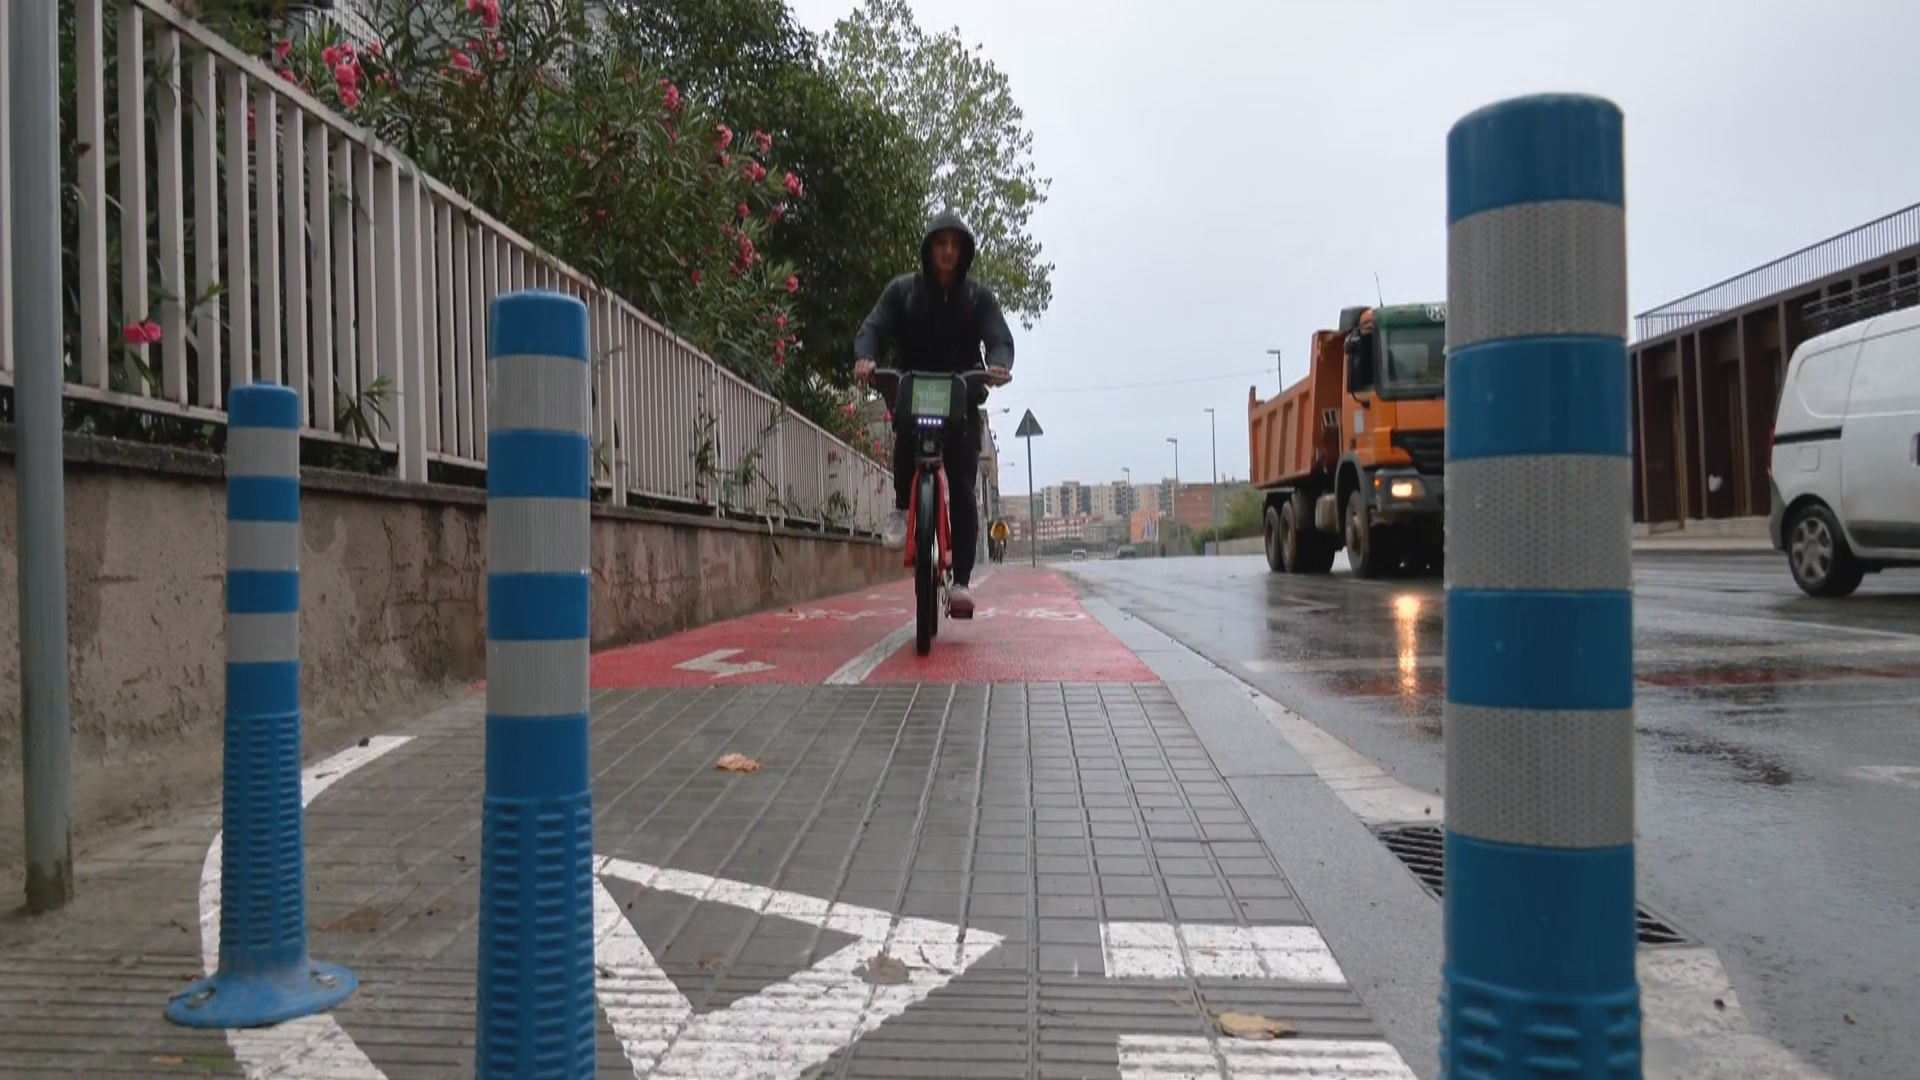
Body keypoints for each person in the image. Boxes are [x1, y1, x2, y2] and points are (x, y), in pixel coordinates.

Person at [853, 209, 1014, 619]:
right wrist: (866, 358)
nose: (947, 251)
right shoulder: (903, 292)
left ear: (963, 252)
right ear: (929, 249)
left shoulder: (977, 298)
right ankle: (903, 507)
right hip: (915, 391)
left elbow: (999, 336)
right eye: (940, 244)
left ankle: (960, 581)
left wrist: (997, 364)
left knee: (962, 485)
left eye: (954, 245)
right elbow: (874, 326)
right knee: (906, 439)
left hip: (961, 399)